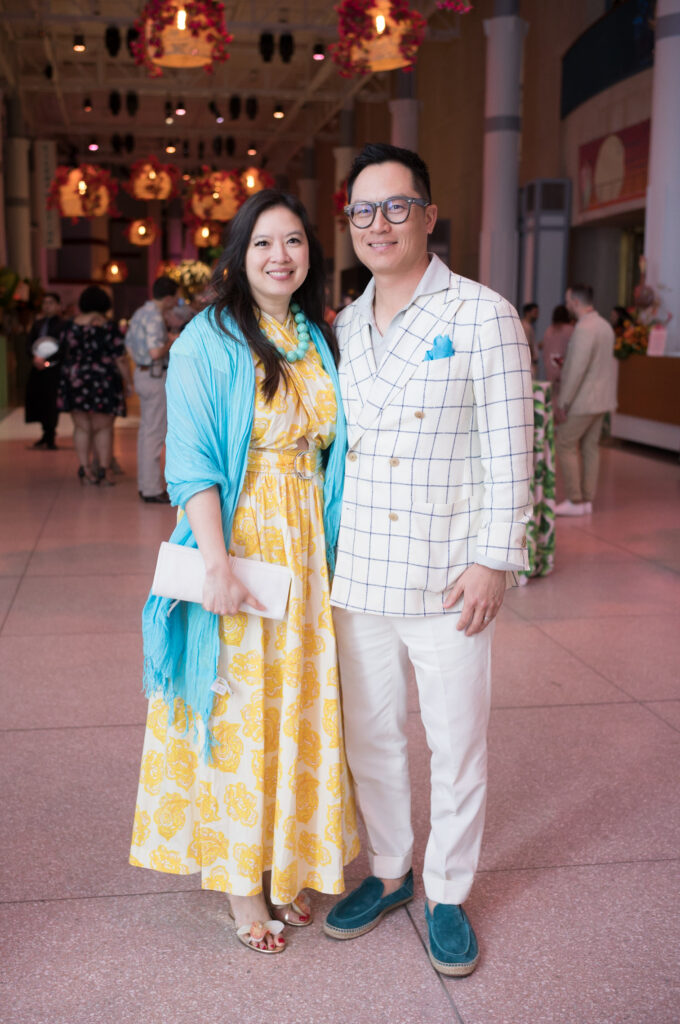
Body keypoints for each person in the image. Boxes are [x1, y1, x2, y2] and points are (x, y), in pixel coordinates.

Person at [322, 143, 534, 976]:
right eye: (363, 212)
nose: (379, 225)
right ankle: (390, 870)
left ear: (428, 214)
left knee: (455, 741)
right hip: (360, 570)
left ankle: (448, 890)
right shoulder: (344, 321)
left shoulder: (482, 314)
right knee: (371, 736)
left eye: (396, 207)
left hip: (450, 573)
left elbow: (511, 451)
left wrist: (494, 559)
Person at [130, 190, 359, 956]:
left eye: (294, 242)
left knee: (292, 707)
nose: (280, 256)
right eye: (264, 243)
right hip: (241, 540)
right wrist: (217, 564)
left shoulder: (314, 337)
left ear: (309, 256)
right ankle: (242, 887)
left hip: (305, 552)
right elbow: (191, 456)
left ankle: (283, 860)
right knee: (239, 716)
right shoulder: (210, 336)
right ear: (239, 253)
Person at [554, 284, 618, 516]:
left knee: (565, 443)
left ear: (576, 302)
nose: (567, 304)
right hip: (602, 400)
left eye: (568, 300)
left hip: (583, 400)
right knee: (591, 448)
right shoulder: (604, 326)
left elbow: (577, 370)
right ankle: (586, 500)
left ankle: (574, 499)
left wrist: (563, 403)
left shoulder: (584, 329)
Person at [57, 285, 129, 485]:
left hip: (75, 378)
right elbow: (120, 358)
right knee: (103, 428)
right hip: (103, 379)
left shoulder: (70, 326)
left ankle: (85, 469)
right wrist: (128, 382)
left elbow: (61, 350)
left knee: (81, 427)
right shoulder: (108, 326)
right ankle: (104, 471)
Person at [125, 276, 180, 504]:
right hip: (155, 374)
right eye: (175, 297)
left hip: (141, 372)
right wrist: (172, 340)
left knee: (146, 432)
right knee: (155, 434)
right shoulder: (155, 316)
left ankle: (145, 484)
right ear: (168, 297)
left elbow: (128, 343)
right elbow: (156, 352)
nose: (176, 301)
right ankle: (152, 488)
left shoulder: (140, 312)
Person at [25, 291, 66, 450]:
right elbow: (30, 344)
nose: (47, 306)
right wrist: (36, 358)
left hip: (54, 370)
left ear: (57, 306)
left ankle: (51, 434)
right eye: (45, 303)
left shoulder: (62, 325)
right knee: (38, 399)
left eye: (50, 303)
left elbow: (63, 348)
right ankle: (44, 432)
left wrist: (47, 361)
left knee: (51, 402)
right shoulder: (38, 324)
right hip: (38, 368)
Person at [540, 303, 574, 402]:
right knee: (564, 398)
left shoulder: (549, 330)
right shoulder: (570, 330)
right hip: (564, 366)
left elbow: (545, 351)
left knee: (551, 397)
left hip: (550, 366)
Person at [521, 301, 540, 371]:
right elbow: (528, 345)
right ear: (527, 313)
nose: (537, 315)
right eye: (535, 313)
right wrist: (532, 360)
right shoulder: (526, 326)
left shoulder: (528, 326)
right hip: (529, 362)